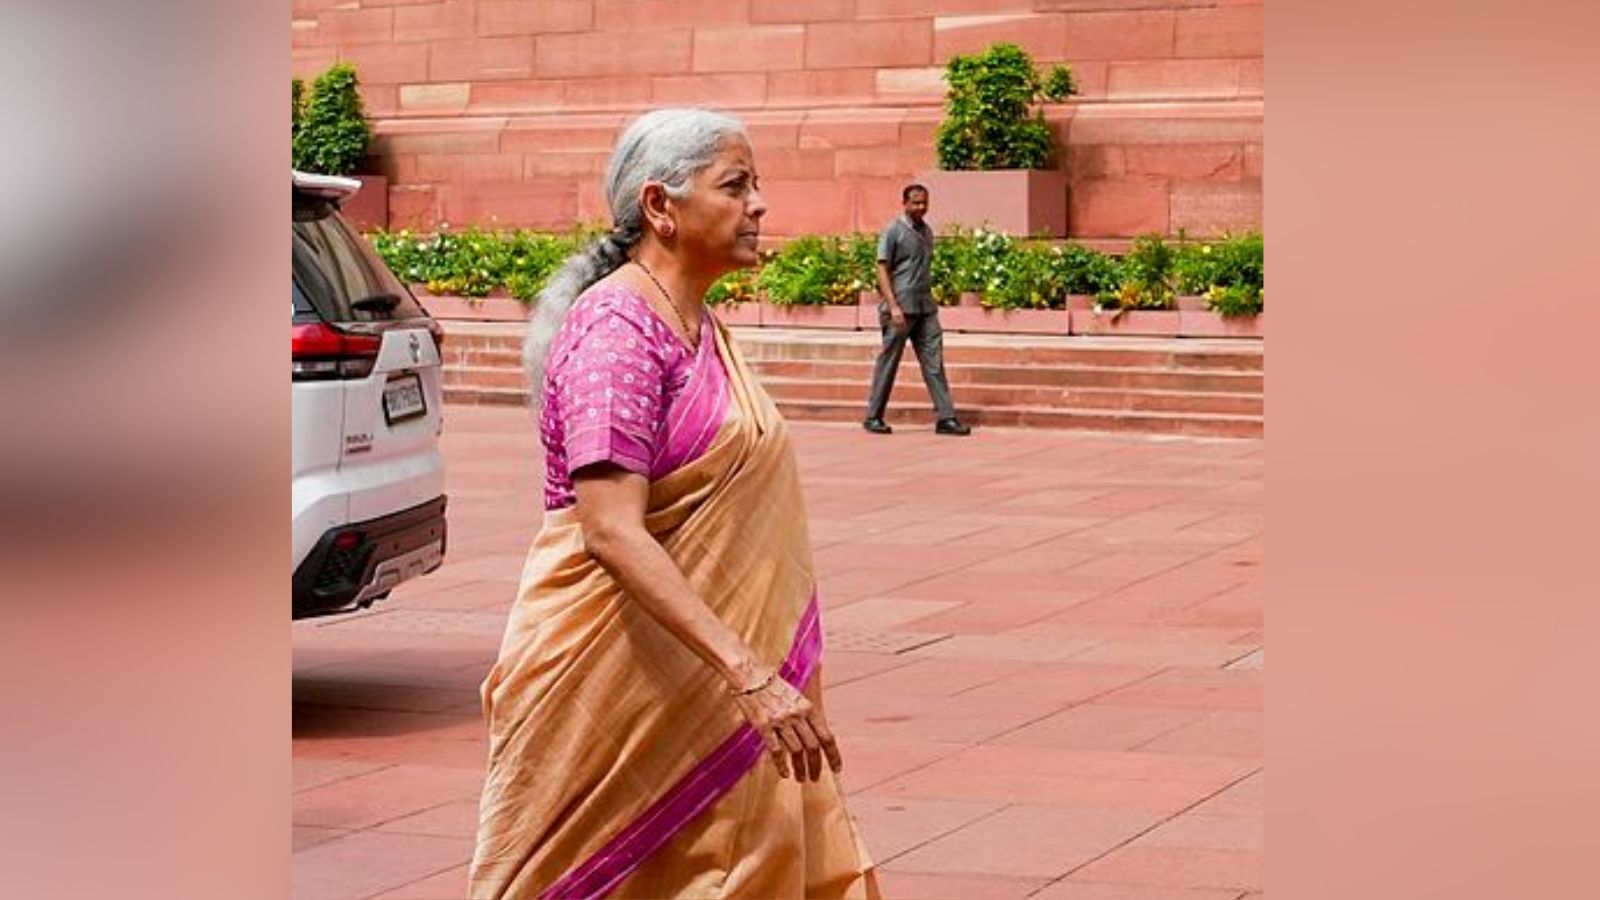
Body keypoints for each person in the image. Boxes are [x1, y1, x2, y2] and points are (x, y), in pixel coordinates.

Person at [470, 108, 880, 900]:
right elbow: (611, 531)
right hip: (620, 690)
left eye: (756, 184)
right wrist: (750, 674)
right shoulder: (617, 332)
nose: (759, 204)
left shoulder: (694, 324)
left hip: (704, 684)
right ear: (661, 206)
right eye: (736, 185)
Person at [862, 184, 971, 436]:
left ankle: (946, 417)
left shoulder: (927, 232)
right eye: (915, 203)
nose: (920, 207)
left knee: (934, 362)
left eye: (924, 203)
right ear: (905, 203)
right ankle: (873, 415)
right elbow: (881, 268)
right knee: (889, 361)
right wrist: (892, 306)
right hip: (900, 308)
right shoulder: (893, 231)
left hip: (925, 307)